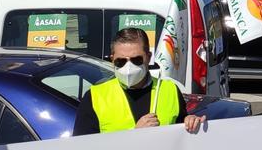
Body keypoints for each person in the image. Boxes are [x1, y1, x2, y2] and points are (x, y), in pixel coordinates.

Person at [73, 28, 206, 135]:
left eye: (136, 60)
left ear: (148, 57)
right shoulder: (95, 97)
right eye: (121, 61)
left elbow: (180, 136)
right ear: (112, 59)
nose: (128, 67)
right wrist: (134, 135)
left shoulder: (169, 89)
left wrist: (189, 122)